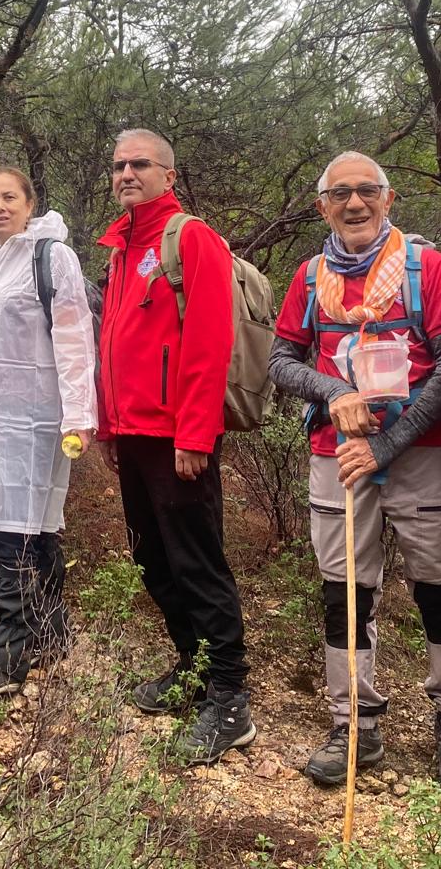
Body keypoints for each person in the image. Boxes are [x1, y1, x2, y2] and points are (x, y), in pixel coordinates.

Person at [268, 152, 441, 801]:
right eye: (340, 194)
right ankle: (353, 722)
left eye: (367, 192)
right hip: (340, 456)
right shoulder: (310, 277)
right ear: (322, 206)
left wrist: (391, 441)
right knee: (345, 594)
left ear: (388, 201)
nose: (354, 203)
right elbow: (281, 359)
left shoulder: (426, 269)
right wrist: (331, 390)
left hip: (422, 453)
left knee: (440, 589)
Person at [97, 128, 251, 764]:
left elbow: (209, 341)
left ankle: (229, 698)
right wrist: (108, 426)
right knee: (152, 561)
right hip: (131, 434)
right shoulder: (119, 247)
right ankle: (191, 671)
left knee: (196, 563)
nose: (127, 173)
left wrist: (195, 433)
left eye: (140, 164)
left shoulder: (191, 238)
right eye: (118, 166)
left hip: (177, 437)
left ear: (168, 174)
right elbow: (114, 343)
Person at [0, 168, 97, 696]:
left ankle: (5, 655)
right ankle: (50, 632)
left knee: (18, 527)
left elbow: (75, 336)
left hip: (35, 417)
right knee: (26, 524)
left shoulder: (51, 256)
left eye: (9, 197)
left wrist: (79, 413)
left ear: (30, 203)